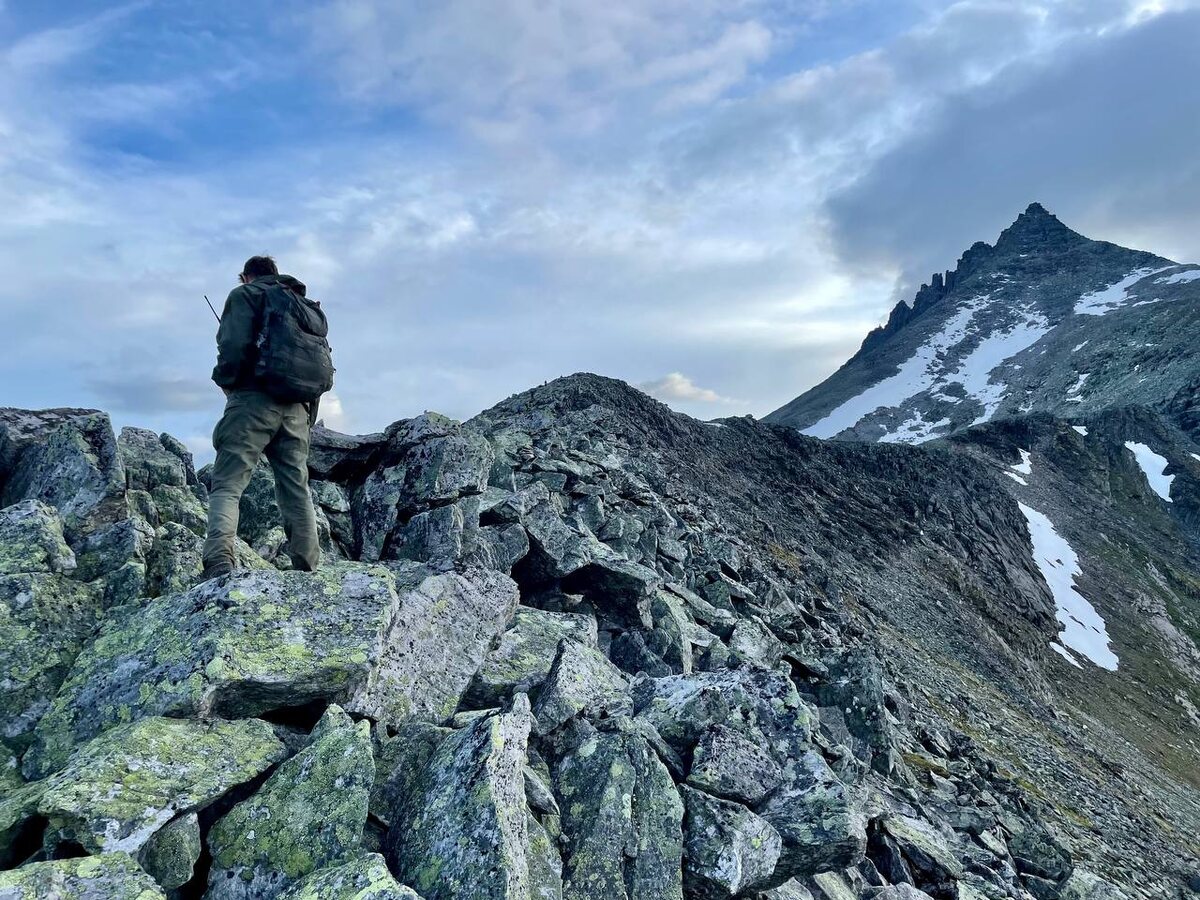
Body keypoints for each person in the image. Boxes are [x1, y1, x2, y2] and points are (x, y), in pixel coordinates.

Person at [201, 255, 334, 580]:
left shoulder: (245, 295)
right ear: (276, 275)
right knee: (295, 487)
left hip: (252, 402)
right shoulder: (301, 305)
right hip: (297, 409)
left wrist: (227, 383)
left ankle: (219, 562)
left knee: (228, 484)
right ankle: (307, 568)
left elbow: (233, 346)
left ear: (246, 277)